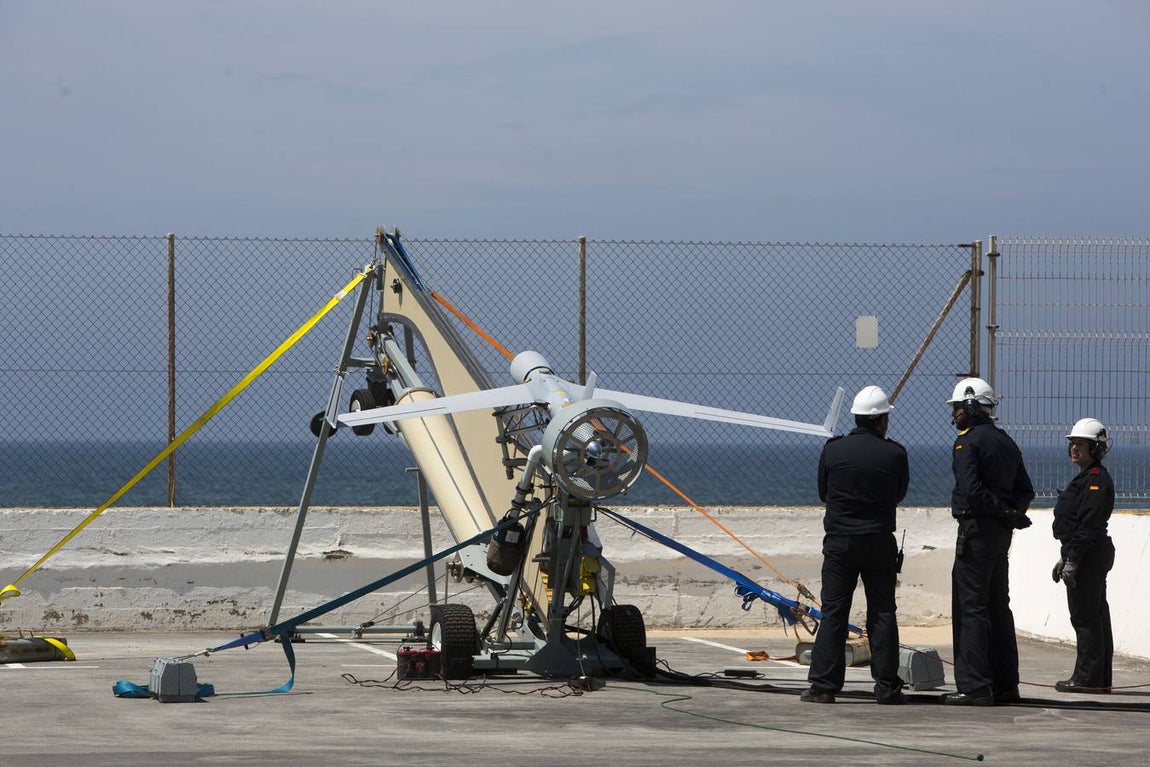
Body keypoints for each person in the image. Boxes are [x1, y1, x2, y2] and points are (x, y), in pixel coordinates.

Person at [801, 385, 909, 705]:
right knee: (883, 612)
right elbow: (899, 494)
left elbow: (824, 493)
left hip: (840, 543)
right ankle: (887, 687)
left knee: (834, 612)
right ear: (881, 420)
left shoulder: (832, 450)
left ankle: (823, 685)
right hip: (878, 541)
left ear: (857, 417)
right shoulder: (896, 453)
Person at [941, 377, 1035, 706]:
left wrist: (1000, 512)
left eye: (956, 409)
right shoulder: (1005, 442)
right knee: (998, 607)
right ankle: (1006, 684)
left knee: (971, 609)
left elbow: (971, 490)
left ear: (970, 405)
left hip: (976, 530)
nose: (954, 416)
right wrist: (1010, 514)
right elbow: (1026, 489)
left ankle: (975, 686)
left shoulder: (967, 443)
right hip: (1000, 534)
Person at [1051, 418, 1116, 694]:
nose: (1075, 448)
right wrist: (1065, 555)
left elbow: (1088, 525)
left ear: (1096, 449)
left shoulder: (1094, 480)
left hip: (1088, 556)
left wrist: (1073, 559)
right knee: (1095, 614)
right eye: (1073, 443)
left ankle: (1087, 678)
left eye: (1082, 444)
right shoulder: (1086, 478)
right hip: (1084, 554)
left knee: (1086, 617)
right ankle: (1098, 677)